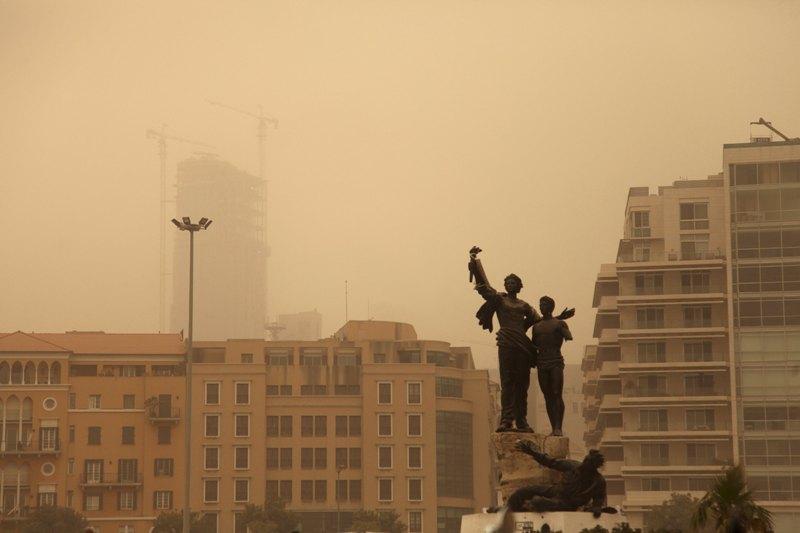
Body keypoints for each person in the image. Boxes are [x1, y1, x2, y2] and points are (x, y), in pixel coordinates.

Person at [469, 247, 573, 432]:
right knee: (507, 382)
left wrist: (559, 318)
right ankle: (506, 420)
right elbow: (484, 287)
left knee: (522, 384)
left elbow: (541, 321)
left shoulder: (525, 305)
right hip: (507, 343)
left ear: (519, 286)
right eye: (507, 282)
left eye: (513, 282)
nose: (509, 285)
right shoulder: (499, 299)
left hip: (522, 346)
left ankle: (521, 420)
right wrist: (474, 262)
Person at [505, 440, 615, 517]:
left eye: (587, 463)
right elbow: (550, 462)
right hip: (555, 490)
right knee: (523, 491)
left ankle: (525, 510)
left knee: (538, 502)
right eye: (585, 460)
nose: (583, 464)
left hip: (567, 504)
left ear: (593, 467)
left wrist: (596, 508)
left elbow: (599, 498)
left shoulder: (598, 482)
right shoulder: (573, 466)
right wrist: (532, 451)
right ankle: (506, 511)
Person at [531, 296, 572, 436]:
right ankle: (553, 426)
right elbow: (533, 345)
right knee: (547, 396)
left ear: (551, 307)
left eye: (545, 304)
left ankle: (558, 427)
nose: (542, 306)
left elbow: (568, 336)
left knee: (556, 393)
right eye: (540, 304)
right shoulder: (536, 327)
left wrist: (564, 329)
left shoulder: (559, 323)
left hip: (555, 361)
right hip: (541, 362)